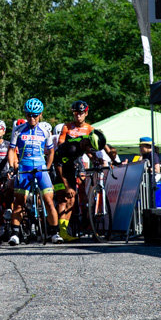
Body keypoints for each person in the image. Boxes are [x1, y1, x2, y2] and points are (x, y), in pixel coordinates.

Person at [7, 98, 59, 245]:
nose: (32, 118)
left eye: (35, 115)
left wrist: (48, 167)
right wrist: (12, 167)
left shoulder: (45, 131)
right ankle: (16, 233)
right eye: (29, 115)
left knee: (49, 201)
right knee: (19, 202)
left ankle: (55, 233)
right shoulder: (18, 130)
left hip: (41, 168)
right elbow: (11, 150)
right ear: (25, 114)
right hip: (24, 167)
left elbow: (50, 151)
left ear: (41, 115)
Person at [52, 101, 94, 242]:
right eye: (76, 113)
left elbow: (92, 148)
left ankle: (64, 230)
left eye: (81, 113)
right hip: (61, 164)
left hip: (73, 166)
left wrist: (97, 160)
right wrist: (75, 144)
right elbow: (60, 145)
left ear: (86, 113)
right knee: (62, 198)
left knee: (72, 199)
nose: (78, 116)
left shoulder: (89, 129)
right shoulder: (67, 127)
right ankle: (59, 231)